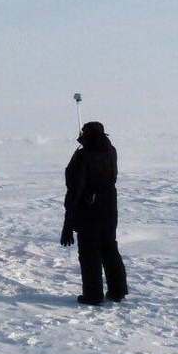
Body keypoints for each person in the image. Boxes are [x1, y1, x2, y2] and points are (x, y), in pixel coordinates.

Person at [61, 121, 128, 305]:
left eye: (83, 133)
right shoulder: (110, 150)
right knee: (109, 248)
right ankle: (118, 291)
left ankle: (93, 295)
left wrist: (69, 219)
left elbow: (76, 188)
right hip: (109, 206)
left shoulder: (84, 155)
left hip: (89, 208)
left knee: (89, 252)